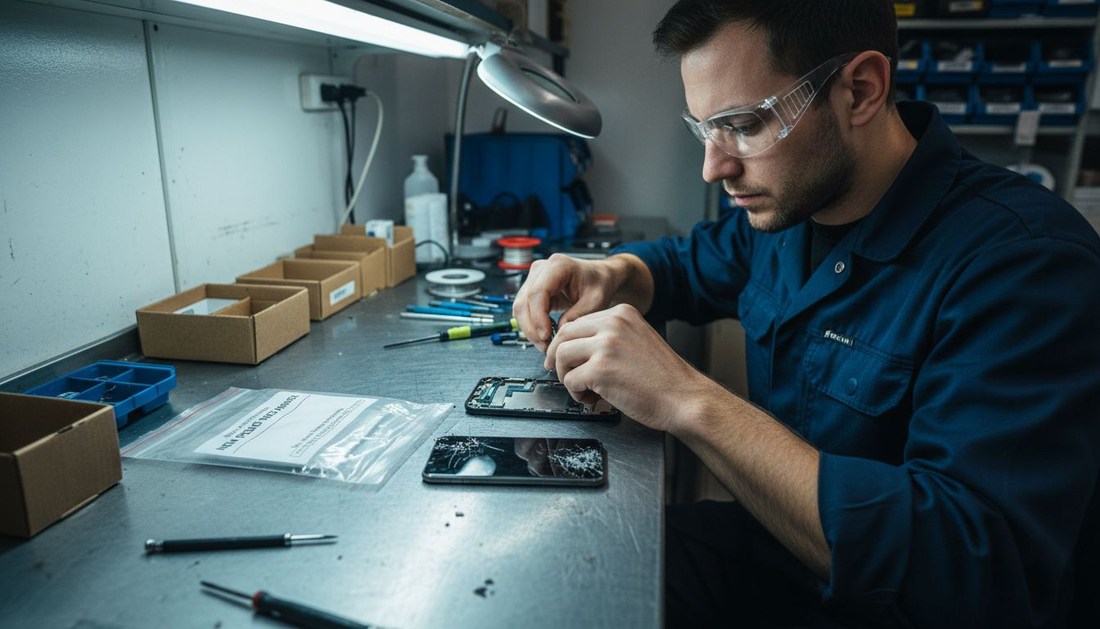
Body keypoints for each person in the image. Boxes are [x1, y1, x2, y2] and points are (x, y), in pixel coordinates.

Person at [511, 1, 1100, 627]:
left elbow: (967, 570)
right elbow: (688, 264)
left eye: (743, 124)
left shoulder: (1023, 264)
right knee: (565, 565)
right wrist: (611, 271)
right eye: (705, 129)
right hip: (785, 557)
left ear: (861, 90)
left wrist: (687, 399)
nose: (717, 166)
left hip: (892, 605)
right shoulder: (790, 211)